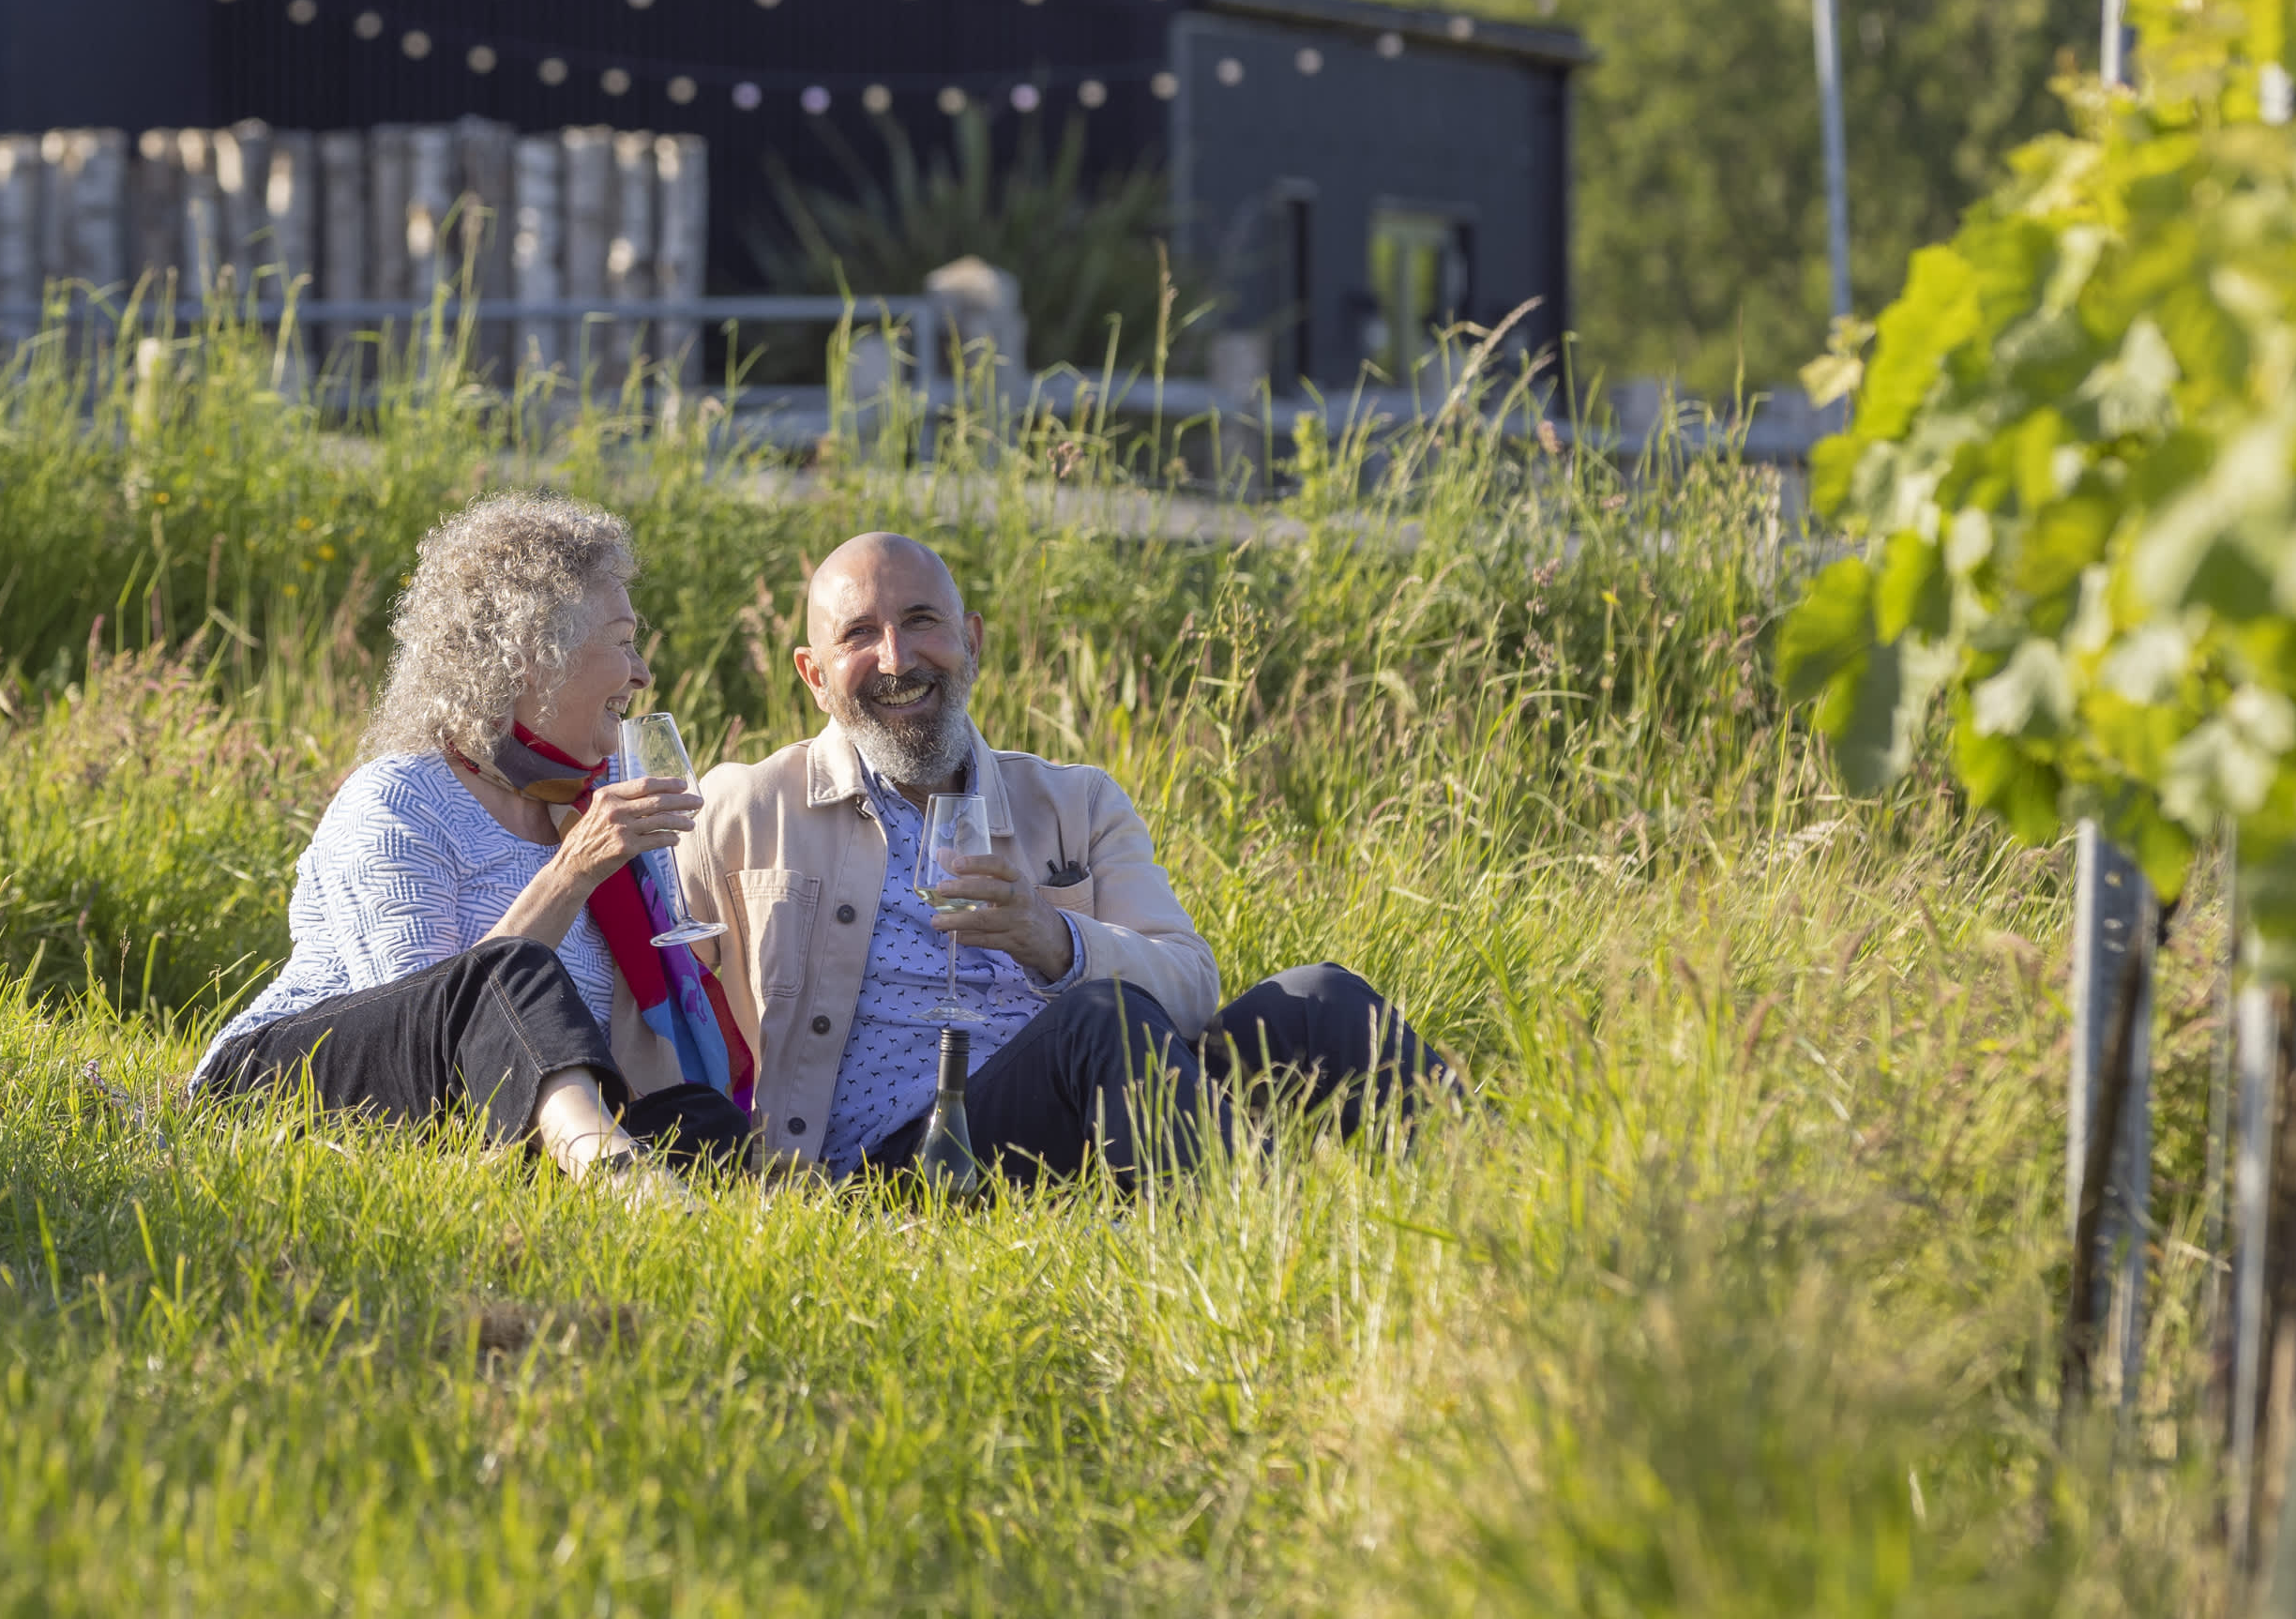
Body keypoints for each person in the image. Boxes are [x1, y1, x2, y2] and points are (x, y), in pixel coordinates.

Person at [679, 530, 1450, 1184]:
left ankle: (1498, 1212)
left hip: (1104, 1097)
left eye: (921, 621)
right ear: (813, 675)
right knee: (1099, 1019)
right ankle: (1256, 1249)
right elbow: (652, 994)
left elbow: (1191, 984)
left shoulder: (1075, 801)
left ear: (971, 640)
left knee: (1322, 999)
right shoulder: (744, 807)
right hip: (910, 1166)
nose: (895, 656)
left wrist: (1057, 941)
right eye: (858, 635)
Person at [193, 494, 758, 1192]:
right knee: (509, 970)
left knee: (700, 1121)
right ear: (531, 657)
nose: (642, 673)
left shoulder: (595, 795)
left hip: (502, 1116)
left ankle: (812, 1220)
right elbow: (428, 1022)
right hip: (277, 1085)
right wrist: (572, 870)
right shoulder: (401, 797)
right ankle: (615, 1176)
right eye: (620, 641)